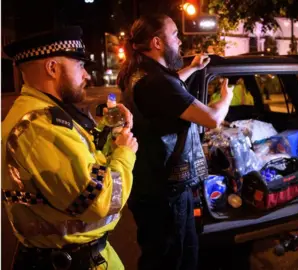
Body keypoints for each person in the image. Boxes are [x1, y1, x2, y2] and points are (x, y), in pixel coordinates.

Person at [2, 26, 138, 269]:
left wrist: (110, 131)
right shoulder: (37, 128)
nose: (86, 75)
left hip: (81, 256)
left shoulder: (44, 116)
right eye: (79, 66)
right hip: (72, 262)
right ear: (52, 68)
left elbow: (86, 163)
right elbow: (97, 200)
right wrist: (124, 153)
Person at [116, 14, 234, 270]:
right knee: (174, 261)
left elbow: (168, 88)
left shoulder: (139, 73)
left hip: (151, 185)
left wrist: (193, 68)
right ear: (158, 42)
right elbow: (212, 119)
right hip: (165, 193)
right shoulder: (156, 82)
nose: (180, 41)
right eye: (175, 34)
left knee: (164, 255)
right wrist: (226, 97)